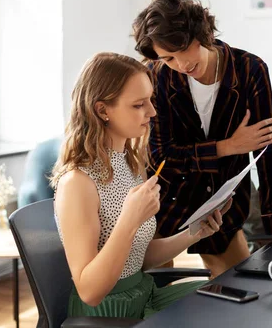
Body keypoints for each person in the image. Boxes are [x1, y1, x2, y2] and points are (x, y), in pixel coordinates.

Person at [132, 0, 272, 278]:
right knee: (156, 298)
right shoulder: (156, 74)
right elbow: (162, 155)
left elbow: (266, 153)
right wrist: (228, 147)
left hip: (221, 209)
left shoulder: (250, 70)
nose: (181, 65)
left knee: (243, 288)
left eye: (182, 49)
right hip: (165, 202)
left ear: (200, 33)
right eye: (168, 57)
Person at [52, 52, 231, 319]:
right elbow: (90, 291)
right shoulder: (78, 183)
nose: (152, 111)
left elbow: (137, 257)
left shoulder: (131, 165)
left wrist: (195, 233)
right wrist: (130, 220)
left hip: (145, 296)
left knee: (229, 297)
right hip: (109, 313)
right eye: (138, 105)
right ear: (102, 110)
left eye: (150, 100)